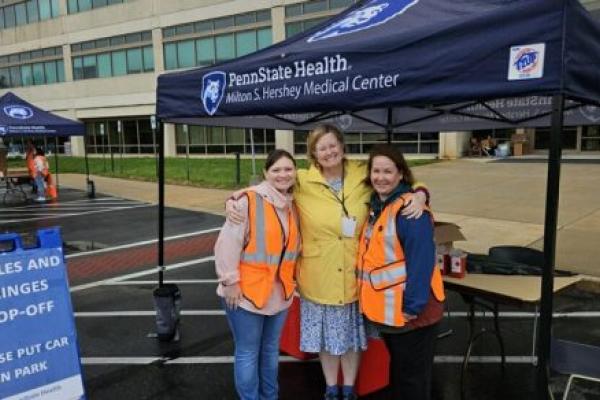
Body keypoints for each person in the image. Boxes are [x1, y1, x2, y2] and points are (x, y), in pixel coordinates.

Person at [226, 124, 428, 400]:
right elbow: (270, 185)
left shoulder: (362, 172)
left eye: (333, 145)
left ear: (343, 147)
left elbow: (397, 177)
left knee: (351, 338)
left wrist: (420, 193)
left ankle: (349, 387)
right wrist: (235, 198)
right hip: (317, 274)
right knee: (324, 336)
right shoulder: (302, 179)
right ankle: (331, 387)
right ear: (313, 154)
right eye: (322, 148)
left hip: (356, 274)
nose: (329, 151)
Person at [356, 145, 445, 400]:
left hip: (413, 315)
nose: (381, 177)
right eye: (376, 171)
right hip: (393, 315)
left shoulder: (409, 212)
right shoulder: (378, 205)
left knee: (412, 383)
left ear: (400, 175)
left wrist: (413, 306)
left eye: (388, 171)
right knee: (402, 377)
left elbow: (422, 261)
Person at [215, 149, 301, 400]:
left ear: (296, 172)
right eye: (276, 170)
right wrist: (230, 281)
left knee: (270, 351)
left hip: (279, 293)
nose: (283, 175)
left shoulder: (291, 204)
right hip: (244, 294)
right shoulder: (248, 201)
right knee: (248, 352)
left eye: (288, 169)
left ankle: (270, 396)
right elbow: (227, 243)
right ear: (265, 173)